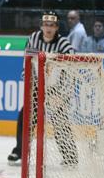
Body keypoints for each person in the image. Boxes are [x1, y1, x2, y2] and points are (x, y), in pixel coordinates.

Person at [7, 10, 74, 166]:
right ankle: (20, 151)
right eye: (45, 24)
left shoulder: (64, 45)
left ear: (57, 27)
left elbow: (70, 71)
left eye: (52, 25)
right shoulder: (34, 39)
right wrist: (30, 84)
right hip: (37, 87)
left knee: (60, 122)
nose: (48, 28)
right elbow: (27, 63)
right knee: (25, 116)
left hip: (57, 89)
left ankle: (70, 156)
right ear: (41, 26)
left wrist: (62, 96)